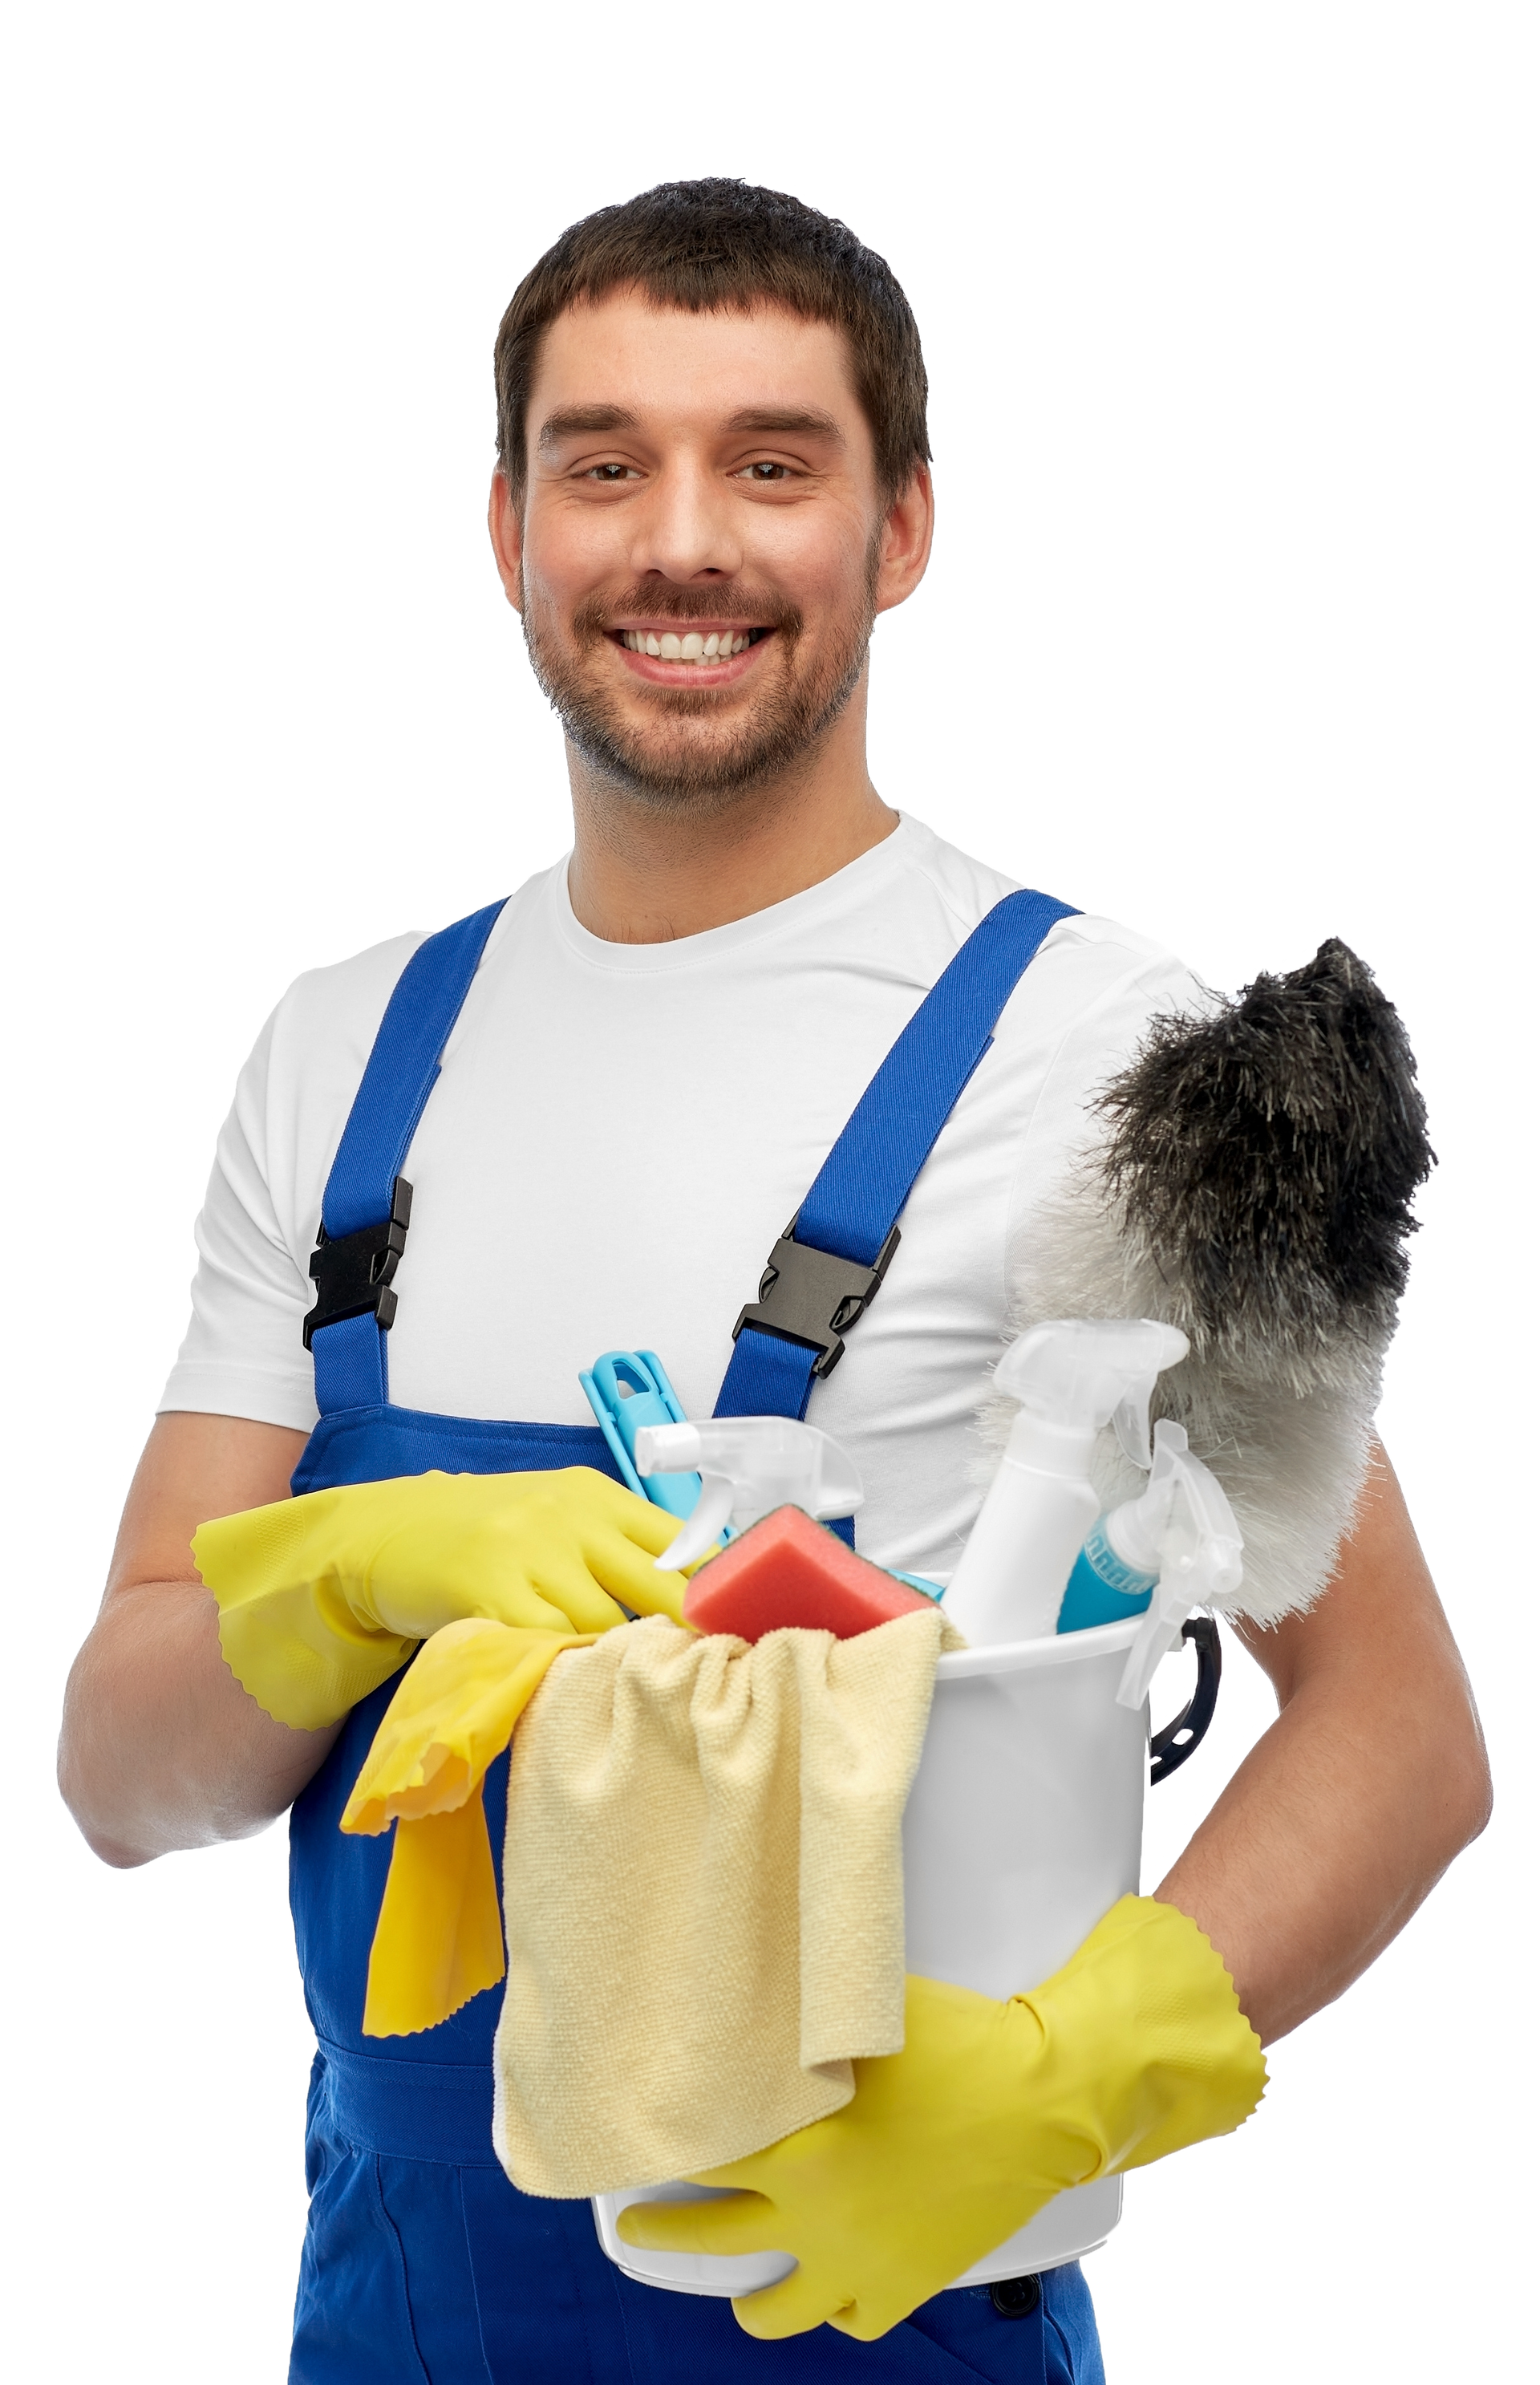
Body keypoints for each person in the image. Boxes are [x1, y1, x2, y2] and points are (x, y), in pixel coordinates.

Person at [56, 178, 1490, 2383]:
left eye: (774, 462)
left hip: (910, 2314)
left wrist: (1075, 2065)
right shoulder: (342, 1058)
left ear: (902, 528)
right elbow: (126, 1772)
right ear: (511, 531)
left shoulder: (1101, 1040)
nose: (684, 542)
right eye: (606, 463)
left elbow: (1397, 1726)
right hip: (401, 2326)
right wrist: (348, 1575)